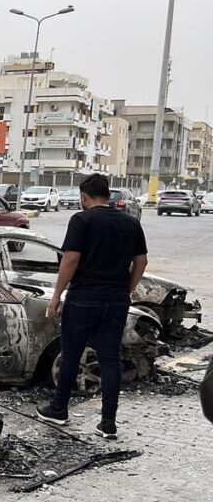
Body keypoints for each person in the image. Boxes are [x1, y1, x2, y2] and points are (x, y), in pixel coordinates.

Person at [36, 173, 148, 440]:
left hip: (83, 299)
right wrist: (127, 290)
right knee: (110, 359)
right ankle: (108, 423)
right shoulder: (131, 223)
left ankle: (59, 408)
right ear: (107, 195)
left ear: (84, 197)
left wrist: (55, 296)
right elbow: (141, 262)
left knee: (71, 354)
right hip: (116, 301)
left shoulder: (82, 220)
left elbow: (71, 260)